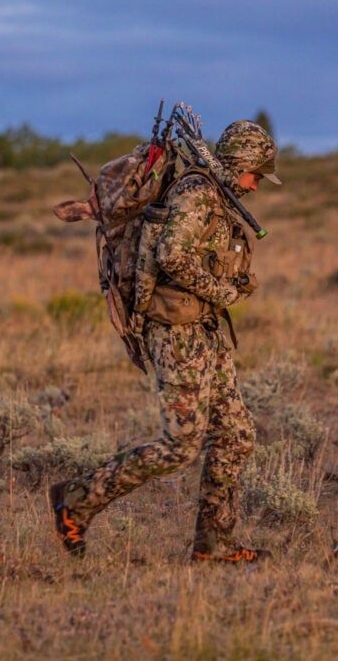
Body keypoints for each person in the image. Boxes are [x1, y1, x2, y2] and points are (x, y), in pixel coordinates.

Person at [50, 120, 281, 564]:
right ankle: (76, 501)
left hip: (204, 330)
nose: (256, 185)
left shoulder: (219, 194)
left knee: (236, 434)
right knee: (181, 443)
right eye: (256, 174)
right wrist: (224, 292)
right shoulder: (198, 193)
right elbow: (171, 255)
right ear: (241, 166)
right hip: (176, 334)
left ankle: (215, 545)